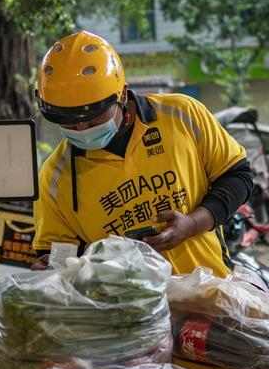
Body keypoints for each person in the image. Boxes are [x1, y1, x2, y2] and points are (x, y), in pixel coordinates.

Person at [31, 30, 253, 277]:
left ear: (122, 95)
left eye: (92, 117)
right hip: (127, 310)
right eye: (68, 121)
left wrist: (192, 225)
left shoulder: (183, 116)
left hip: (210, 290)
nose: (82, 128)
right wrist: (54, 265)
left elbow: (238, 175)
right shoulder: (54, 177)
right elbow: (54, 252)